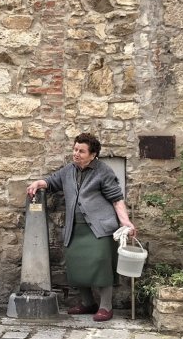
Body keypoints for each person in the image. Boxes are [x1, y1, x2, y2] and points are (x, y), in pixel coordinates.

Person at [26, 133, 136, 322]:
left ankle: (105, 306)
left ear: (93, 155)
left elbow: (116, 199)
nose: (76, 154)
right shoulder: (68, 170)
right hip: (75, 228)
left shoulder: (103, 171)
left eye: (81, 151)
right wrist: (38, 183)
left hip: (100, 228)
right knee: (76, 265)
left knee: (102, 265)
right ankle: (87, 303)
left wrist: (125, 222)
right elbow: (51, 182)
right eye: (75, 149)